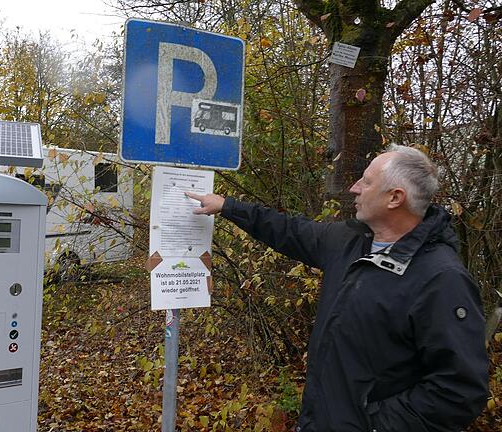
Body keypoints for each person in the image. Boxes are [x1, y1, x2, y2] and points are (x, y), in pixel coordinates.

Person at [186, 144, 489, 431]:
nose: (354, 187)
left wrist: (372, 425)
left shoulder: (441, 279)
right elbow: (288, 229)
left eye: (366, 182)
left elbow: (458, 390)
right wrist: (228, 206)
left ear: (395, 198)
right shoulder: (350, 242)